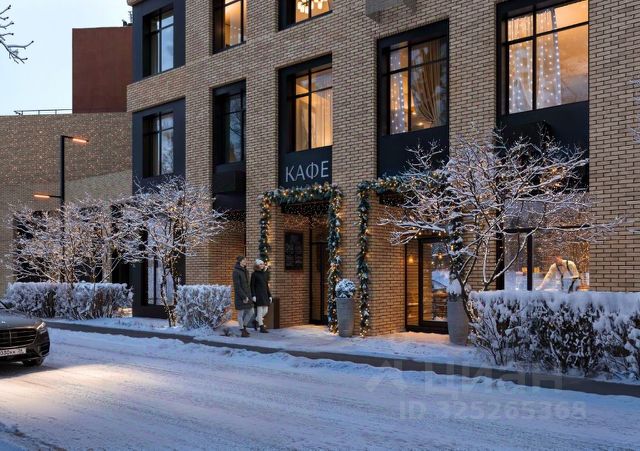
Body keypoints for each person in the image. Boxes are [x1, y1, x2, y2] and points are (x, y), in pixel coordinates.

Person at [232, 256, 253, 337]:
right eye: (244, 260)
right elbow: (237, 286)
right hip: (240, 296)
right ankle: (242, 330)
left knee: (251, 312)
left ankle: (244, 327)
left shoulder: (246, 271)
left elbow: (247, 285)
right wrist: (244, 297)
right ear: (240, 261)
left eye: (246, 260)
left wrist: (249, 295)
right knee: (240, 314)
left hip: (248, 295)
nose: (245, 261)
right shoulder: (236, 271)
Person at [251, 259, 272, 333]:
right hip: (258, 295)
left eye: (263, 264)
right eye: (260, 264)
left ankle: (255, 321)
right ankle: (261, 327)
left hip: (265, 295)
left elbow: (266, 286)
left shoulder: (264, 274)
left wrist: (270, 295)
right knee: (260, 312)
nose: (262, 265)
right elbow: (252, 286)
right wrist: (253, 295)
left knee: (265, 311)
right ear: (257, 265)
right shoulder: (254, 274)